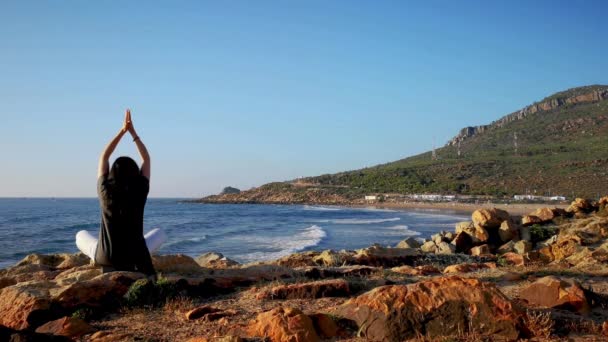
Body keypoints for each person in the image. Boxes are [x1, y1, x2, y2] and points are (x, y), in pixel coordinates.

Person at [76, 110, 166, 277]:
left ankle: (106, 262)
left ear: (111, 174)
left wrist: (122, 131)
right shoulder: (140, 188)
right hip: (136, 257)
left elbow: (104, 157)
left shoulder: (104, 189)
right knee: (160, 233)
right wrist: (133, 133)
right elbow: (146, 159)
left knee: (80, 235)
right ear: (135, 173)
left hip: (106, 257)